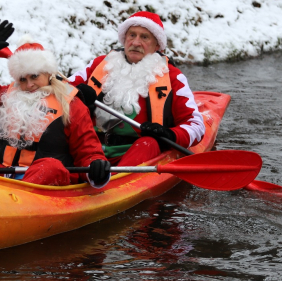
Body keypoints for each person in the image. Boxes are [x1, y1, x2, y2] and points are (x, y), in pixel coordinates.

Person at [0, 19, 111, 187]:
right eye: (22, 79)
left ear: (48, 73)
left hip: (48, 180)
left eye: (34, 76)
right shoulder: (8, 96)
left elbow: (88, 149)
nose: (29, 85)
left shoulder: (71, 104)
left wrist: (95, 164)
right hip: (4, 173)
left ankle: (13, 197)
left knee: (50, 166)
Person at [69, 11, 205, 169]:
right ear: (124, 39)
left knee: (148, 143)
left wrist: (169, 134)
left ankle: (111, 182)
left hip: (140, 151)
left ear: (157, 45)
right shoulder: (100, 64)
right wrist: (77, 93)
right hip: (92, 147)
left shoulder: (173, 77)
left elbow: (196, 126)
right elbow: (62, 88)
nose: (136, 42)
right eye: (131, 35)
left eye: (144, 37)